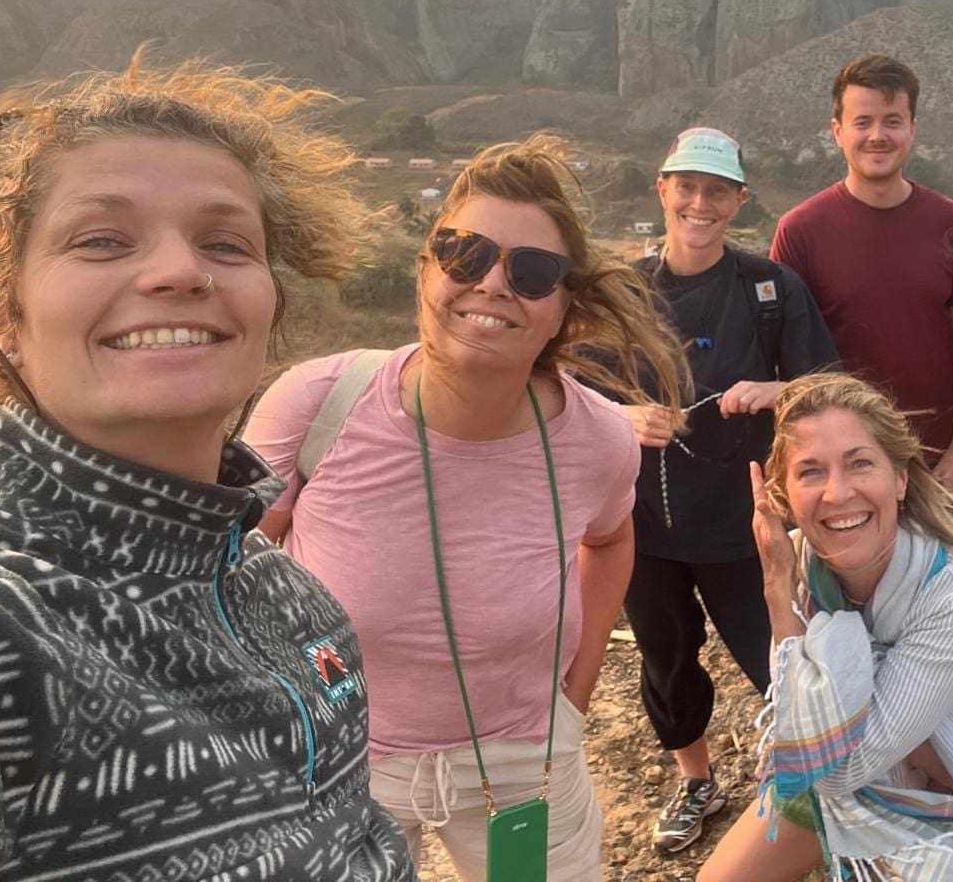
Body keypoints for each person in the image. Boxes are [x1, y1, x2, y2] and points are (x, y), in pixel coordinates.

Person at [0, 62, 413, 880]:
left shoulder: (291, 597)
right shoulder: (1, 630)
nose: (181, 270)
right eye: (102, 240)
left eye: (225, 244)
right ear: (4, 311)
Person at [245, 134, 687, 882]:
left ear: (563, 308)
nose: (492, 283)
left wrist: (573, 701)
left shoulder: (599, 440)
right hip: (334, 757)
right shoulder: (317, 404)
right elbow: (227, 573)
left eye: (532, 271)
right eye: (464, 254)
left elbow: (610, 542)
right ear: (426, 270)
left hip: (520, 765)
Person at [699, 373, 953, 882]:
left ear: (900, 478)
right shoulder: (800, 561)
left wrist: (835, 725)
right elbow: (802, 732)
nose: (837, 493)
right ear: (782, 496)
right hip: (878, 769)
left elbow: (836, 768)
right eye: (810, 472)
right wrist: (777, 587)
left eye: (859, 463)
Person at [621, 127, 837, 853]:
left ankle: (815, 787)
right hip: (643, 523)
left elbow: (827, 385)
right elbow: (567, 389)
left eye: (717, 191)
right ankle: (697, 782)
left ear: (739, 200)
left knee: (779, 656)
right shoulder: (624, 294)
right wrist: (623, 416)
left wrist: (776, 390)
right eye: (687, 186)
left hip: (746, 517)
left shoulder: (769, 288)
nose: (700, 203)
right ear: (663, 189)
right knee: (666, 660)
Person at [770, 54, 953, 524]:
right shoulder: (800, 231)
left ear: (912, 129)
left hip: (936, 466)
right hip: (843, 479)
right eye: (862, 122)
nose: (877, 135)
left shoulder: (950, 222)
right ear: (837, 131)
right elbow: (784, 358)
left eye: (892, 121)